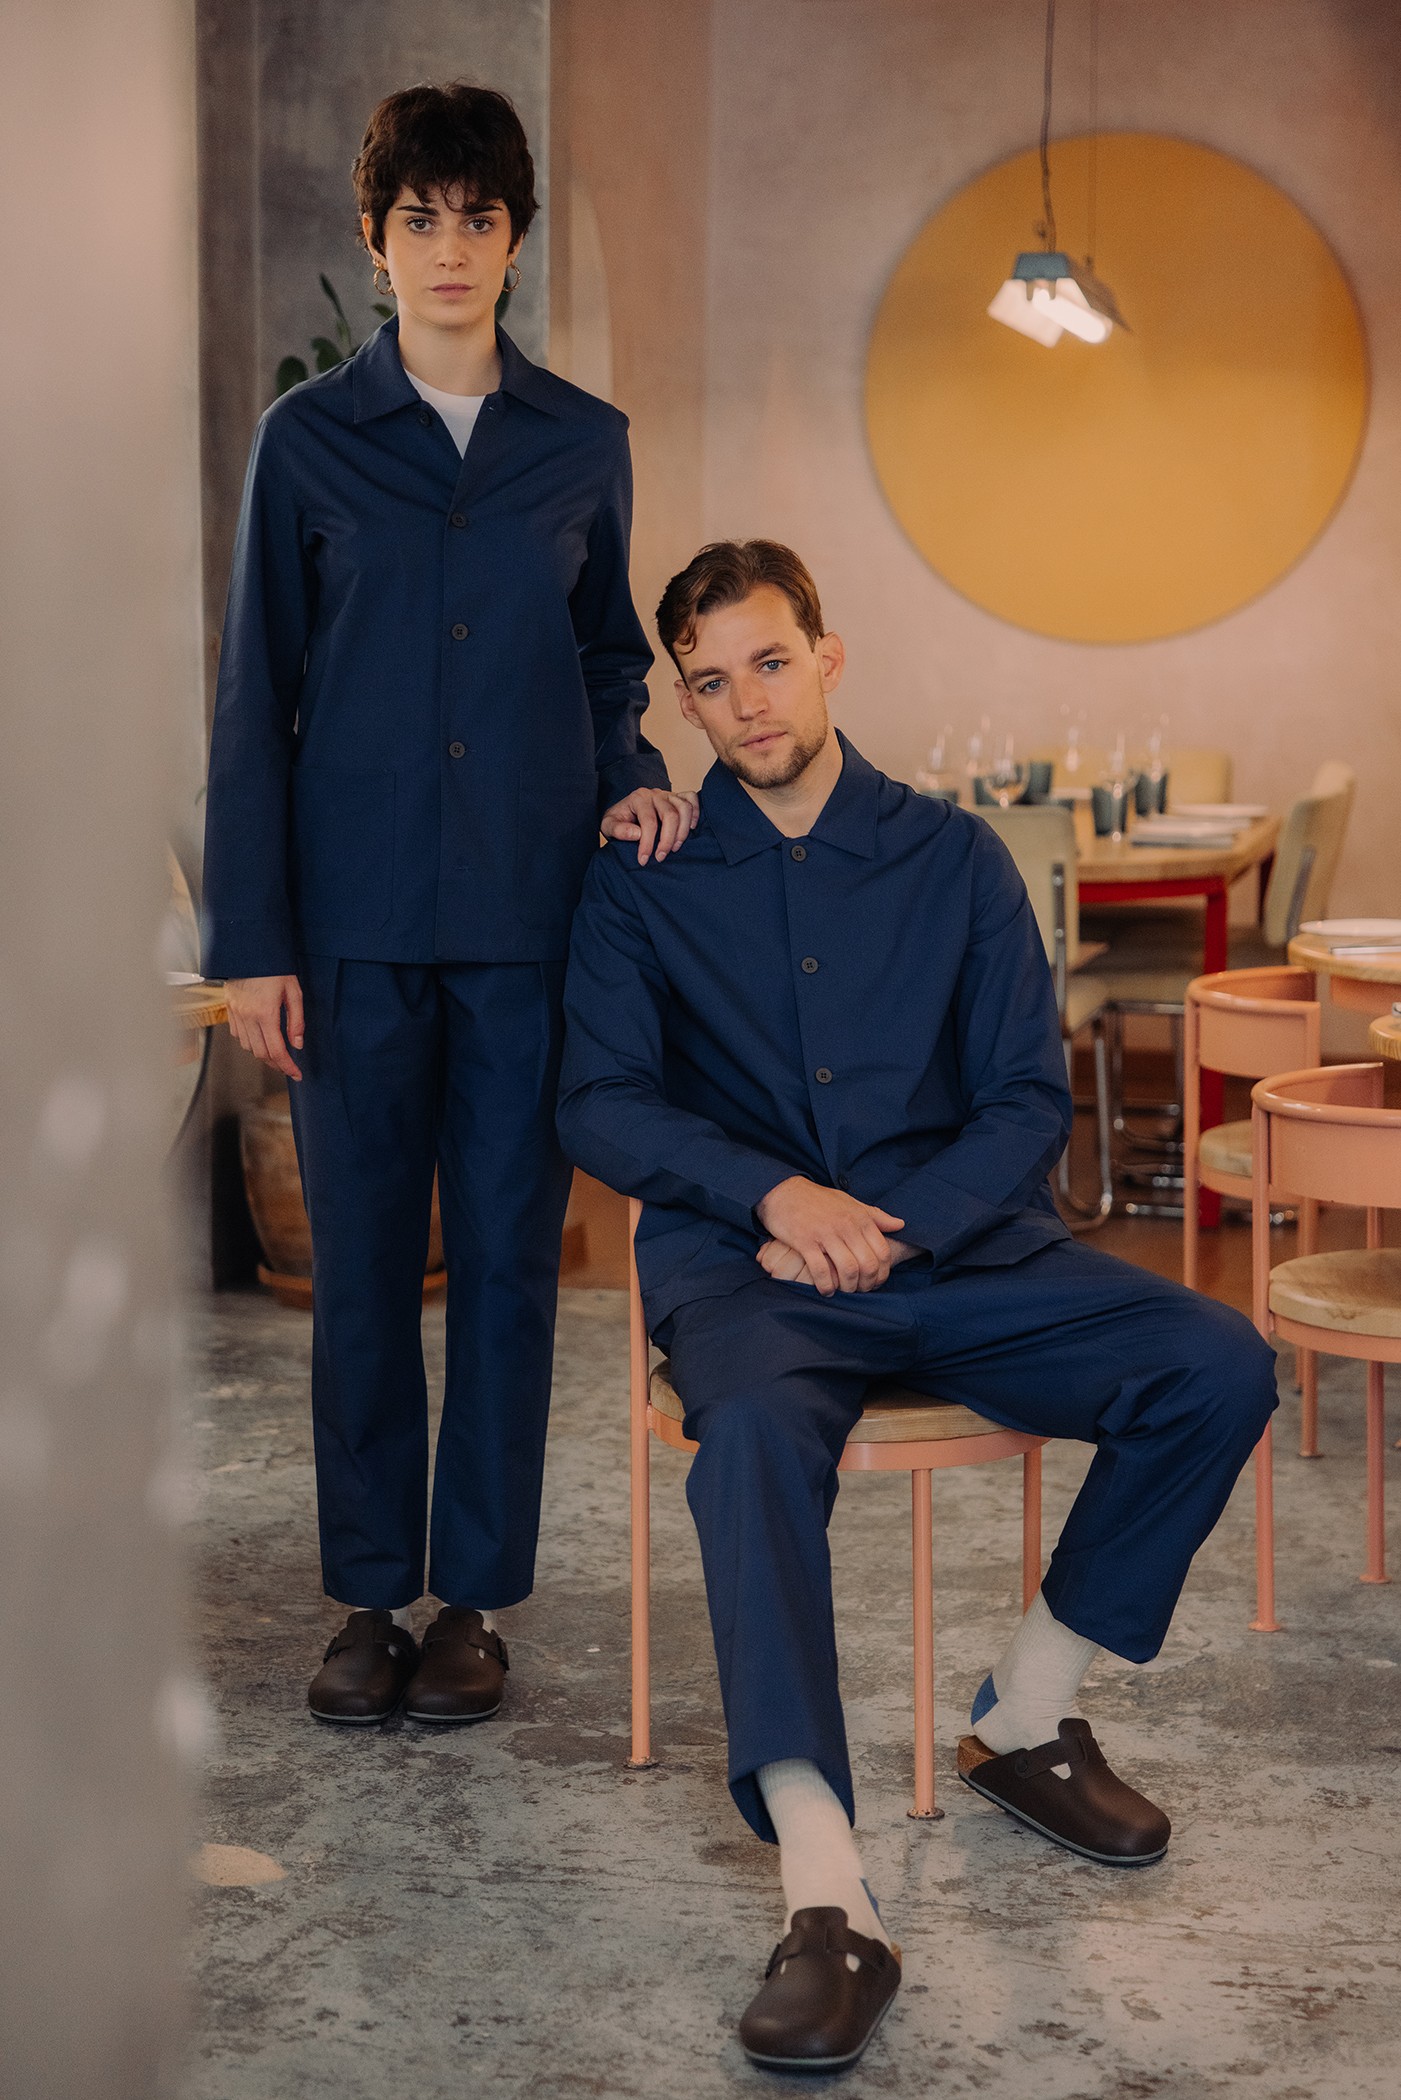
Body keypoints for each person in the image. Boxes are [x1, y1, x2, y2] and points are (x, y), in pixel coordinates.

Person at [557, 539, 1278, 2074]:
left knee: (1216, 1362)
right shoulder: (642, 876)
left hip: (966, 1258)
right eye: (708, 683)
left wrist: (898, 1230)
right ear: (683, 705)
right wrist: (777, 1199)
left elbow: (1024, 1100)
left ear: (827, 656)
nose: (747, 702)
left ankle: (1024, 1718)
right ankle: (828, 1894)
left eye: (769, 661)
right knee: (749, 1444)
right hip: (751, 1277)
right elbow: (599, 1102)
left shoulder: (956, 859)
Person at [202, 81, 696, 1727]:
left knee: (502, 1268)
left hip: (526, 928)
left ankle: (472, 1601)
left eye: (478, 217)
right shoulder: (305, 444)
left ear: (514, 239)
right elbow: (254, 700)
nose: (449, 247)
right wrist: (252, 946)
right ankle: (365, 1600)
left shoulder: (582, 444)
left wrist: (632, 767)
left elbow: (608, 657)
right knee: (359, 1275)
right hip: (348, 934)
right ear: (375, 238)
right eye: (419, 218)